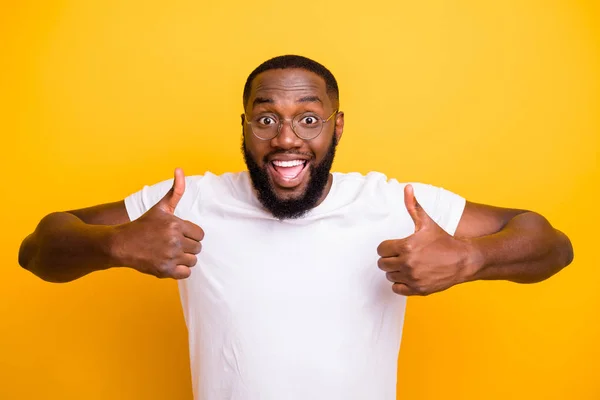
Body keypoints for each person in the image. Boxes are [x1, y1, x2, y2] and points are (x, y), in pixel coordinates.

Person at [18, 55, 573, 400]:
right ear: (245, 126)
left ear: (336, 128)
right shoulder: (189, 201)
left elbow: (551, 244)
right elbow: (37, 249)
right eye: (266, 119)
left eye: (309, 119)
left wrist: (474, 259)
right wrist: (113, 244)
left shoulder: (393, 201)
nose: (286, 139)